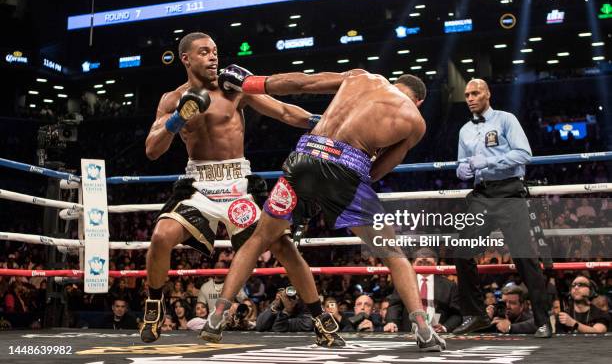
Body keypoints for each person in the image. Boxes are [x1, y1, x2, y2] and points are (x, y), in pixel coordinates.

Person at [202, 65, 445, 351]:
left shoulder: (361, 77)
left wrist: (250, 83)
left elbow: (302, 83)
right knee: (393, 254)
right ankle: (423, 328)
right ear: (418, 101)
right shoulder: (415, 121)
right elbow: (377, 172)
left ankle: (218, 315)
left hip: (304, 158)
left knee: (258, 239)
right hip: (348, 172)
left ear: (394, 81)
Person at [140, 32, 320, 343]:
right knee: (161, 236)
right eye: (204, 52)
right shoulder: (171, 99)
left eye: (215, 51)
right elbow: (152, 150)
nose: (213, 57)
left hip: (238, 182)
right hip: (199, 184)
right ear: (186, 59)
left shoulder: (235, 89)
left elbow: (284, 111)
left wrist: (324, 123)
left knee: (283, 246)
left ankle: (320, 318)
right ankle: (155, 304)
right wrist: (177, 120)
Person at [453, 79, 552, 338]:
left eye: (475, 93)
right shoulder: (464, 130)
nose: (470, 98)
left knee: (524, 258)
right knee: (462, 251)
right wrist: (462, 169)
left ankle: (543, 320)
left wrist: (489, 161)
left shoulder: (506, 119)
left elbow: (524, 154)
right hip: (482, 194)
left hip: (509, 191)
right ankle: (474, 316)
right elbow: (464, 164)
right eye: (467, 95)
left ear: (487, 94)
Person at [385, 248, 461, 333]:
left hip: (438, 332)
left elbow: (457, 313)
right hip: (409, 331)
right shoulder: (405, 282)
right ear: (413, 264)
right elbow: (395, 305)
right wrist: (392, 322)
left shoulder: (449, 285)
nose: (424, 264)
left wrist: (444, 327)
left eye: (428, 262)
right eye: (420, 262)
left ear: (435, 263)